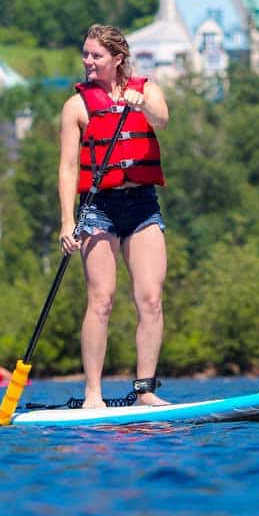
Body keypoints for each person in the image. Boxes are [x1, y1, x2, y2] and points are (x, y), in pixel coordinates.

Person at [56, 24, 171, 409]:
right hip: (98, 208)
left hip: (141, 204)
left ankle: (145, 391)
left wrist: (142, 105)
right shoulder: (76, 106)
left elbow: (162, 119)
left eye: (96, 55)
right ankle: (93, 394)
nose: (88, 62)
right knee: (101, 300)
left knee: (151, 298)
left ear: (117, 59)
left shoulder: (146, 90)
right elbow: (68, 168)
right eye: (86, 54)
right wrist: (66, 221)